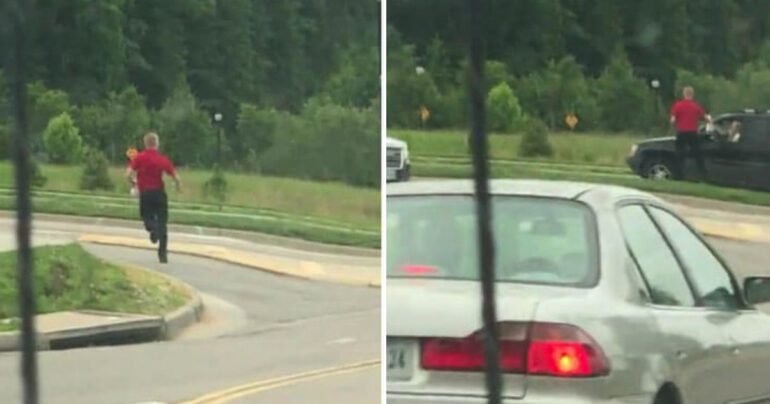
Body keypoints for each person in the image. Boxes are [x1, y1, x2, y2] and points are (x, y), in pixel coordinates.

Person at [125, 132, 181, 263]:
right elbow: (175, 176)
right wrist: (178, 186)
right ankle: (163, 254)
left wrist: (133, 183)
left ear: (145, 144)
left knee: (146, 217)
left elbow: (128, 174)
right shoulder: (162, 159)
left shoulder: (139, 158)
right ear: (157, 144)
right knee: (163, 222)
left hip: (146, 193)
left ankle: (153, 229)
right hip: (159, 193)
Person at [670, 86, 711, 180]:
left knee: (680, 154)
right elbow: (706, 119)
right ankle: (702, 173)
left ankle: (679, 175)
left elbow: (672, 120)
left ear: (684, 94)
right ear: (692, 95)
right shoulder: (695, 106)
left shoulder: (678, 105)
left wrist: (674, 127)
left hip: (681, 132)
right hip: (692, 132)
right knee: (698, 153)